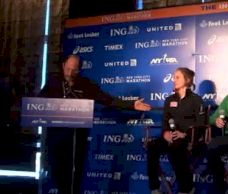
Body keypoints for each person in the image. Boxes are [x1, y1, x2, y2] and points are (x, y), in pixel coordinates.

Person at [38, 54, 151, 194]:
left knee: (75, 173)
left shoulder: (86, 84)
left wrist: (132, 105)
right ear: (63, 66)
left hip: (77, 138)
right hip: (56, 137)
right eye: (68, 69)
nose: (70, 73)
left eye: (74, 70)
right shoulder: (53, 82)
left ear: (79, 70)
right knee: (58, 172)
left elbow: (109, 100)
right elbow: (39, 103)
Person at [147, 67, 206, 194]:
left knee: (176, 148)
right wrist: (165, 133)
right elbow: (165, 121)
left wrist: (184, 134)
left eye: (177, 77)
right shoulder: (169, 100)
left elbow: (201, 124)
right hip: (171, 137)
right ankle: (155, 188)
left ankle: (187, 188)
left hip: (189, 138)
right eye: (174, 77)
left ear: (187, 80)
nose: (174, 79)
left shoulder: (196, 100)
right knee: (152, 147)